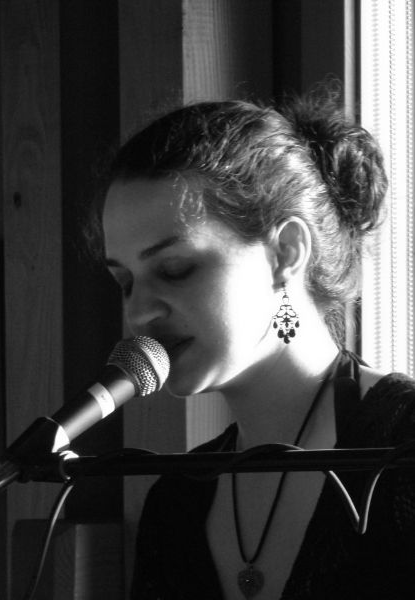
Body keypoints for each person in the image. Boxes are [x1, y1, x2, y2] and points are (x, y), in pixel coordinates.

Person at [96, 89, 415, 599]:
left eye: (175, 269)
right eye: (125, 282)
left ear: (285, 252)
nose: (138, 313)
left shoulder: (402, 448)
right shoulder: (174, 503)